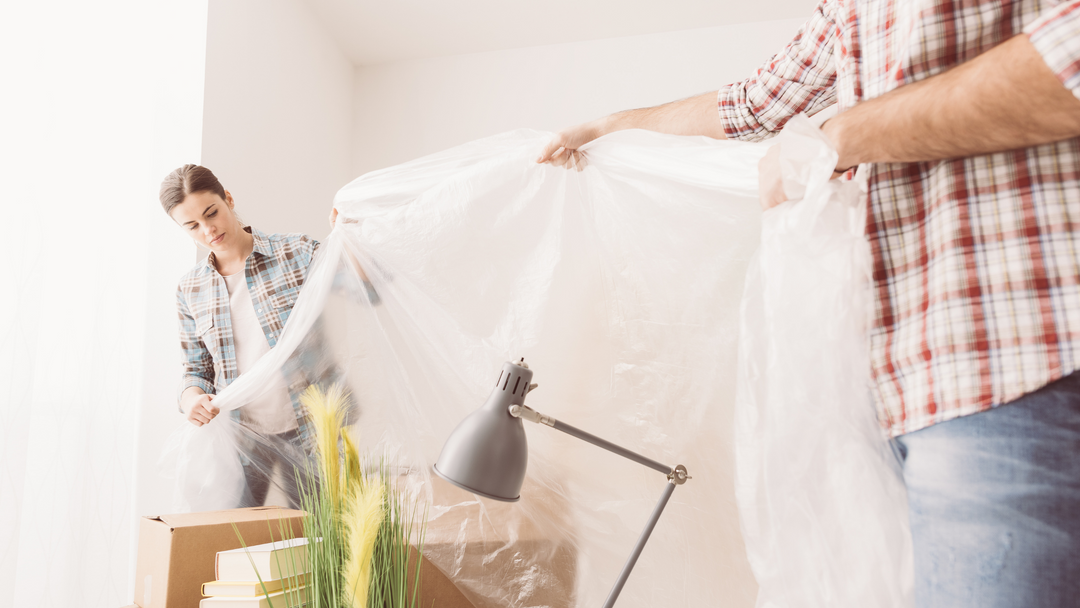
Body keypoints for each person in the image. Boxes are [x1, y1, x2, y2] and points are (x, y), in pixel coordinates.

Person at [538, 2, 1080, 606]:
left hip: (1025, 360)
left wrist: (838, 137)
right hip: (902, 394)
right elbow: (755, 105)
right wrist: (612, 126)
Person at [162, 164, 321, 508]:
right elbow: (197, 371)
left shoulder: (297, 253)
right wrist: (191, 400)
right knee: (237, 547)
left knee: (321, 542)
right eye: (192, 225)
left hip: (312, 430)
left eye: (212, 213)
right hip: (240, 438)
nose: (208, 229)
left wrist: (347, 238)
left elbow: (366, 290)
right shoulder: (190, 289)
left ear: (228, 199)